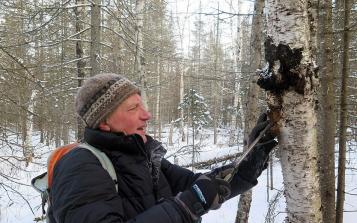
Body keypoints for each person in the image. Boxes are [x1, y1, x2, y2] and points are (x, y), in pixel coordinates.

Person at [49, 73, 277, 223]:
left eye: (143, 105)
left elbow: (202, 186)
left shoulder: (144, 156)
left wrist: (253, 158)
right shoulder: (79, 167)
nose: (146, 115)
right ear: (104, 122)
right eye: (132, 109)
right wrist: (187, 206)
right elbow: (193, 197)